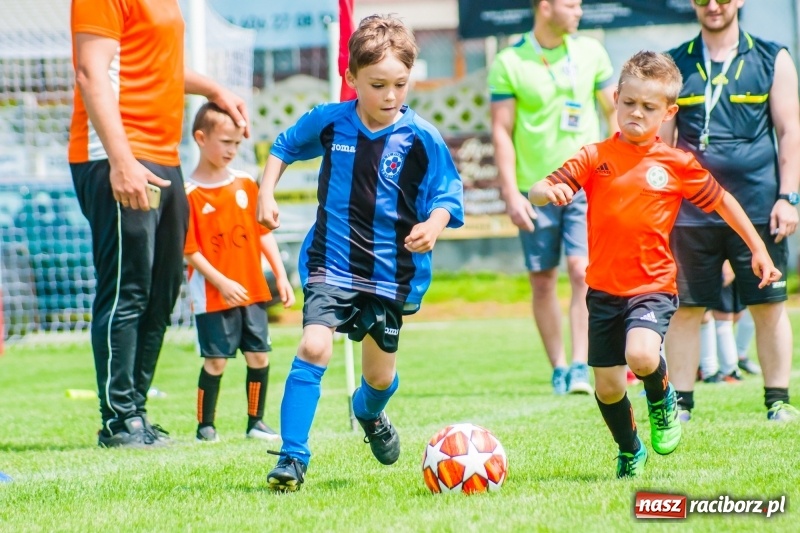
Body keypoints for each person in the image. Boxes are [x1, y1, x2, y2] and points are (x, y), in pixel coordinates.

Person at [528, 51, 781, 478]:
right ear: (615, 98)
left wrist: (758, 248)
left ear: (669, 112)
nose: (636, 114)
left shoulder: (676, 164)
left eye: (649, 107)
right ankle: (630, 448)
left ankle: (662, 399)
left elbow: (725, 203)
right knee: (608, 388)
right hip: (604, 290)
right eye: (629, 104)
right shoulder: (594, 156)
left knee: (642, 355)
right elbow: (541, 187)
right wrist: (543, 193)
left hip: (653, 286)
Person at [256, 15, 464, 491]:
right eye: (377, 85)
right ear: (351, 78)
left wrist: (432, 224)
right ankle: (292, 458)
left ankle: (368, 413)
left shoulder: (421, 138)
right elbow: (284, 146)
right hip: (331, 262)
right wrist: (266, 192)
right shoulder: (332, 121)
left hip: (392, 275)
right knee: (313, 345)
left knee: (377, 379)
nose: (390, 96)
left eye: (400, 85)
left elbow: (448, 196)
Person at [70, 0, 250, 447]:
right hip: (117, 155)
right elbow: (92, 72)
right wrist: (121, 160)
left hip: (163, 156)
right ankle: (118, 417)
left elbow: (157, 67)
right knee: (127, 288)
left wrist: (213, 89)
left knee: (163, 288)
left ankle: (137, 412)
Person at [661, 0, 800, 423]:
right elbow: (663, 143)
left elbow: (789, 129)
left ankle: (778, 400)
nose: (713, 6)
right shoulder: (675, 62)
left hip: (758, 207)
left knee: (768, 304)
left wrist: (789, 197)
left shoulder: (771, 56)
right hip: (690, 211)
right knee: (685, 308)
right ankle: (680, 404)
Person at [488, 0, 618, 395]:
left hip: (586, 182)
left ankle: (581, 364)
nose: (578, 11)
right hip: (537, 189)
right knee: (543, 280)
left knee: (582, 271)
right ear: (545, 6)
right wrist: (511, 192)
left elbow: (614, 111)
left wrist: (613, 168)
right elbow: (501, 131)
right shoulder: (510, 61)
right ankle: (559, 367)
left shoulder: (592, 51)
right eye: (571, 4)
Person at [184, 103, 295, 443]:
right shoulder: (188, 192)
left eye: (237, 143)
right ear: (201, 139)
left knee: (258, 355)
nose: (232, 150)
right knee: (216, 362)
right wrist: (221, 281)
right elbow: (188, 250)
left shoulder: (246, 183)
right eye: (225, 142)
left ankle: (256, 422)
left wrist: (281, 276)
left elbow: (263, 234)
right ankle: (206, 427)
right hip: (214, 296)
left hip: (252, 290)